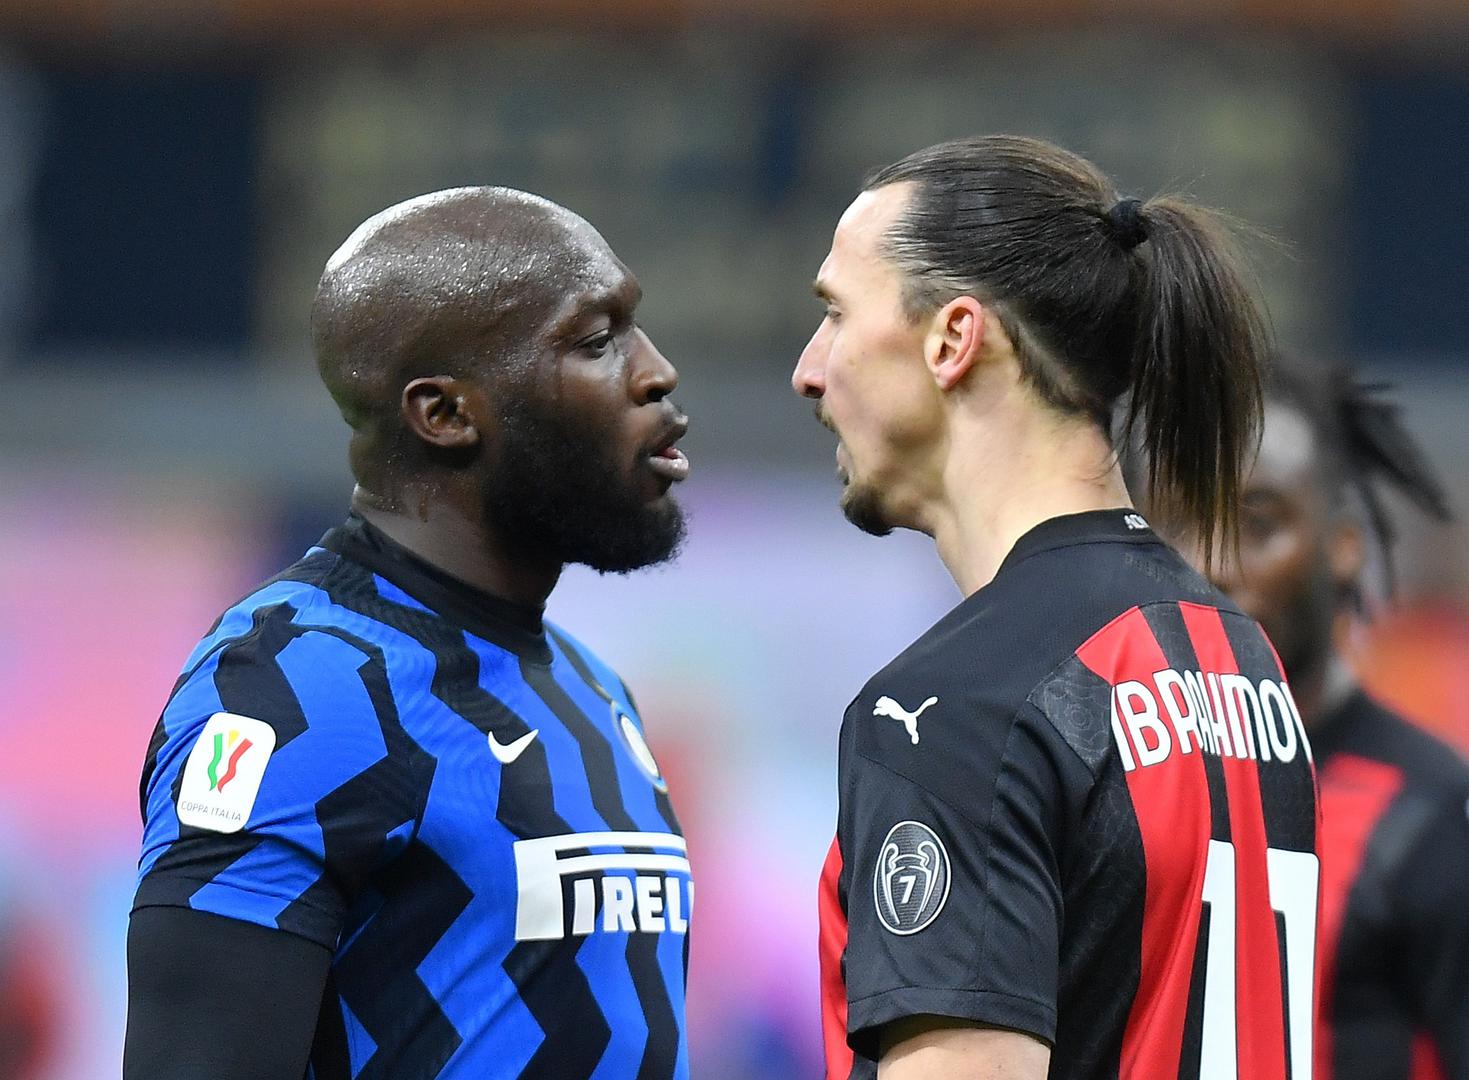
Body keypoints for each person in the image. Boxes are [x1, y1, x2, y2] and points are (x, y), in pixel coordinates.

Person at [124, 187, 695, 1080]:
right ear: (446, 415)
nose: (655, 371)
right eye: (596, 341)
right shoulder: (293, 694)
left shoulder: (592, 689)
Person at [794, 135, 1319, 1080]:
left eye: (834, 314)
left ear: (952, 339)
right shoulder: (1236, 656)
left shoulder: (955, 708)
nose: (809, 369)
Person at [1179, 355, 1469, 1080]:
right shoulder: (1119, 786)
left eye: (1255, 523)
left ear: (1341, 548)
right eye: (1184, 520)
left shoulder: (1428, 814)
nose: (1210, 563)